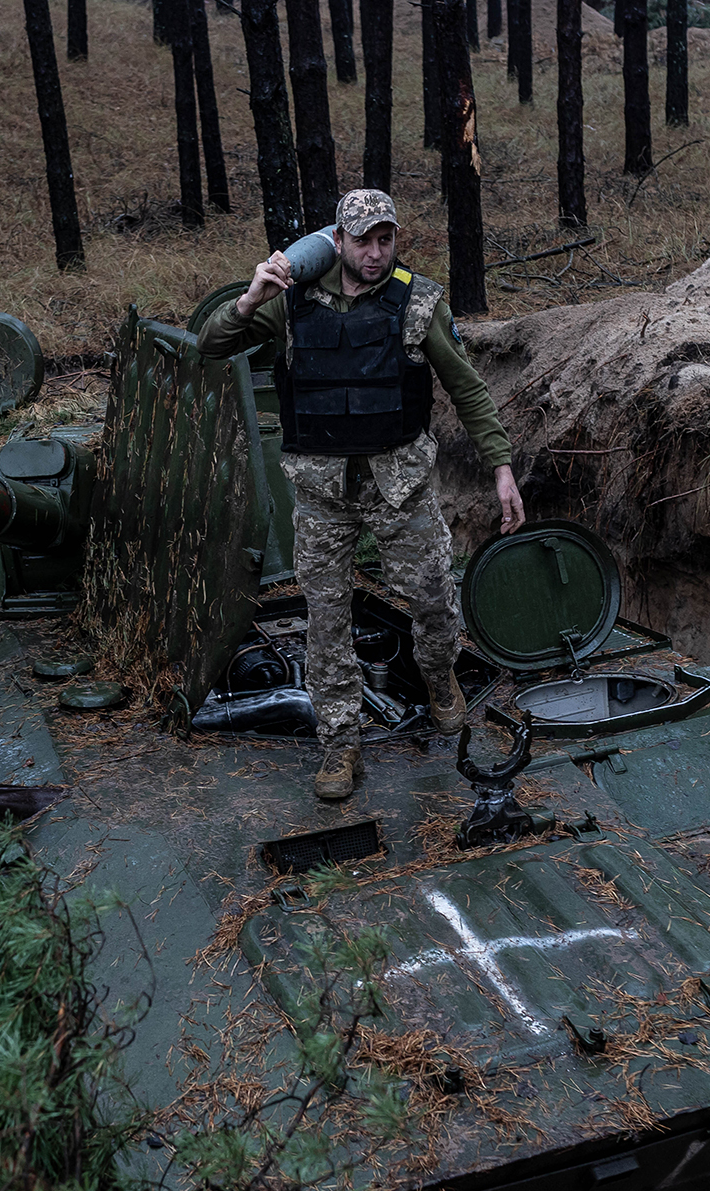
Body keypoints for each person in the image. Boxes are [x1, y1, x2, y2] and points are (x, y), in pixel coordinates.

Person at [197, 189, 526, 800]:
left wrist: (501, 467)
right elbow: (209, 347)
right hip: (322, 494)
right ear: (337, 242)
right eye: (363, 241)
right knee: (326, 621)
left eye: (386, 239)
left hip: (399, 486)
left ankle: (438, 677)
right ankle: (340, 745)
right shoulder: (289, 302)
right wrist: (249, 300)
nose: (376, 253)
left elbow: (468, 389)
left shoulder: (418, 302)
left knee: (431, 599)